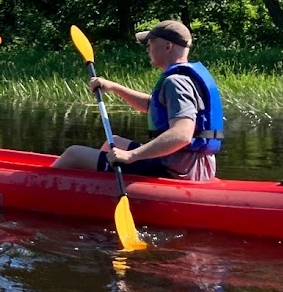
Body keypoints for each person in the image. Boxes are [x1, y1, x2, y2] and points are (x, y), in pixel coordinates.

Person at [52, 20, 223, 180]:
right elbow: (153, 107)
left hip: (177, 171)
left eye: (150, 44)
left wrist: (131, 156)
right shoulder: (182, 78)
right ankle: (100, 188)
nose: (147, 49)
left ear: (168, 46)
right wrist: (114, 87)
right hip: (190, 164)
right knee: (115, 142)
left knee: (73, 154)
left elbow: (182, 135)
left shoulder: (176, 82)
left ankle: (39, 187)